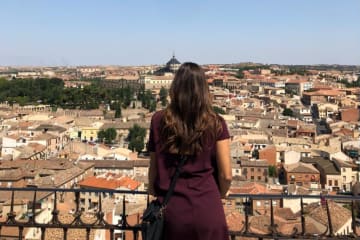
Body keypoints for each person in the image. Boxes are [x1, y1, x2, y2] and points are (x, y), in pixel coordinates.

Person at [147, 62, 232, 240]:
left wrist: (153, 189)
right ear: (204, 90)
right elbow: (226, 175)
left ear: (175, 88)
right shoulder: (217, 123)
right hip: (208, 210)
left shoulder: (158, 121)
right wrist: (220, 194)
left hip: (172, 213)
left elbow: (153, 167)